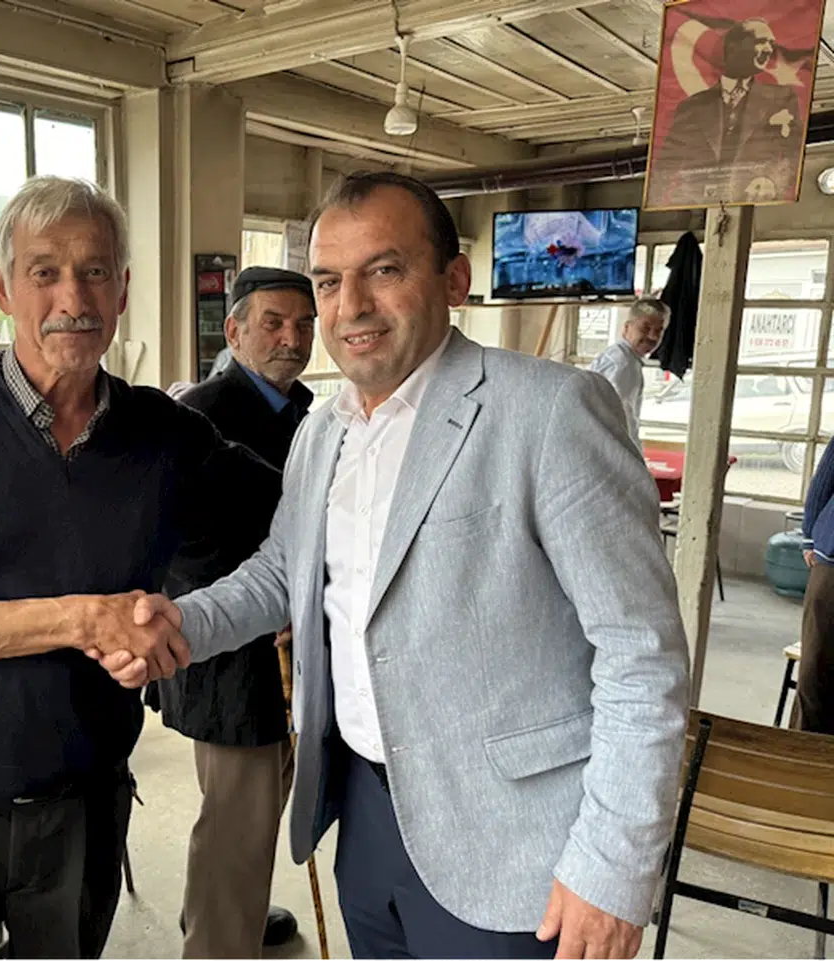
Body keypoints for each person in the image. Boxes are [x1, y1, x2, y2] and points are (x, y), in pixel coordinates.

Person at [99, 171, 690, 960]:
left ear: (454, 279)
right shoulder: (325, 429)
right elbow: (283, 569)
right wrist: (184, 622)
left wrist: (613, 866)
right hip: (366, 809)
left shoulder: (550, 411)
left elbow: (641, 656)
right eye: (328, 281)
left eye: (384, 269)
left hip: (513, 841)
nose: (351, 306)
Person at [0, 175, 277, 961]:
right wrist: (84, 618)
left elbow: (288, 512)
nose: (72, 297)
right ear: (3, 287)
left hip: (83, 795)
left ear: (122, 290)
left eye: (95, 271)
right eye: (45, 271)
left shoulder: (164, 433)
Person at [149, 266, 316, 960]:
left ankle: (232, 913)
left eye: (304, 324)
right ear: (235, 331)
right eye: (273, 323)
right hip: (231, 659)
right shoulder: (199, 416)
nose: (292, 338)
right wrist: (272, 596)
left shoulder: (305, 411)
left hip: (289, 657)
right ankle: (218, 943)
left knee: (261, 811)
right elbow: (178, 548)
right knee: (234, 824)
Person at [650, 18, 801, 207]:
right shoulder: (692, 106)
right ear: (733, 47)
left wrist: (772, 182)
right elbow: (668, 161)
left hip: (754, 198)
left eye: (771, 43)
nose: (769, 49)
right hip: (699, 202)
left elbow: (793, 151)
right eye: (761, 41)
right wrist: (658, 201)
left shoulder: (782, 98)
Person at [588, 299, 670, 448]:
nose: (653, 336)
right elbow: (620, 423)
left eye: (659, 330)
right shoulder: (623, 365)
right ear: (627, 327)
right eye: (645, 328)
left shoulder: (620, 357)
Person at [800, 442, 834, 734]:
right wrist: (810, 537)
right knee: (815, 670)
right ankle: (800, 750)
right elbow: (824, 481)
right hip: (831, 563)